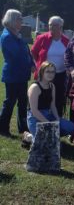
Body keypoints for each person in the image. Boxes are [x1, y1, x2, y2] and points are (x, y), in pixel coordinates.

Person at [0, 9, 35, 137]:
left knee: (22, 101)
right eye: (19, 19)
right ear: (12, 20)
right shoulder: (7, 36)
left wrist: (32, 63)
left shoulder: (16, 34)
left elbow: (27, 51)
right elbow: (17, 55)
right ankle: (3, 127)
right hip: (13, 75)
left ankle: (23, 128)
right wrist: (28, 63)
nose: (22, 21)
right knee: (10, 102)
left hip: (21, 74)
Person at [27, 61, 74, 143]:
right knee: (48, 144)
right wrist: (49, 123)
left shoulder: (52, 86)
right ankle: (30, 137)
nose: (50, 74)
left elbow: (52, 106)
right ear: (42, 72)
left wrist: (57, 119)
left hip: (48, 114)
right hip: (35, 118)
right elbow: (34, 111)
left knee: (71, 127)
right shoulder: (35, 87)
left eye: (53, 72)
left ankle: (52, 136)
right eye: (48, 71)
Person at [31, 16, 69, 116]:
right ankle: (42, 121)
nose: (51, 27)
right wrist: (38, 64)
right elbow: (34, 52)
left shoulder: (66, 41)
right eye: (49, 25)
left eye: (54, 25)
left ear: (60, 27)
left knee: (58, 99)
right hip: (44, 75)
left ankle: (57, 121)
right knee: (43, 99)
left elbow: (69, 56)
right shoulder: (42, 38)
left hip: (61, 75)